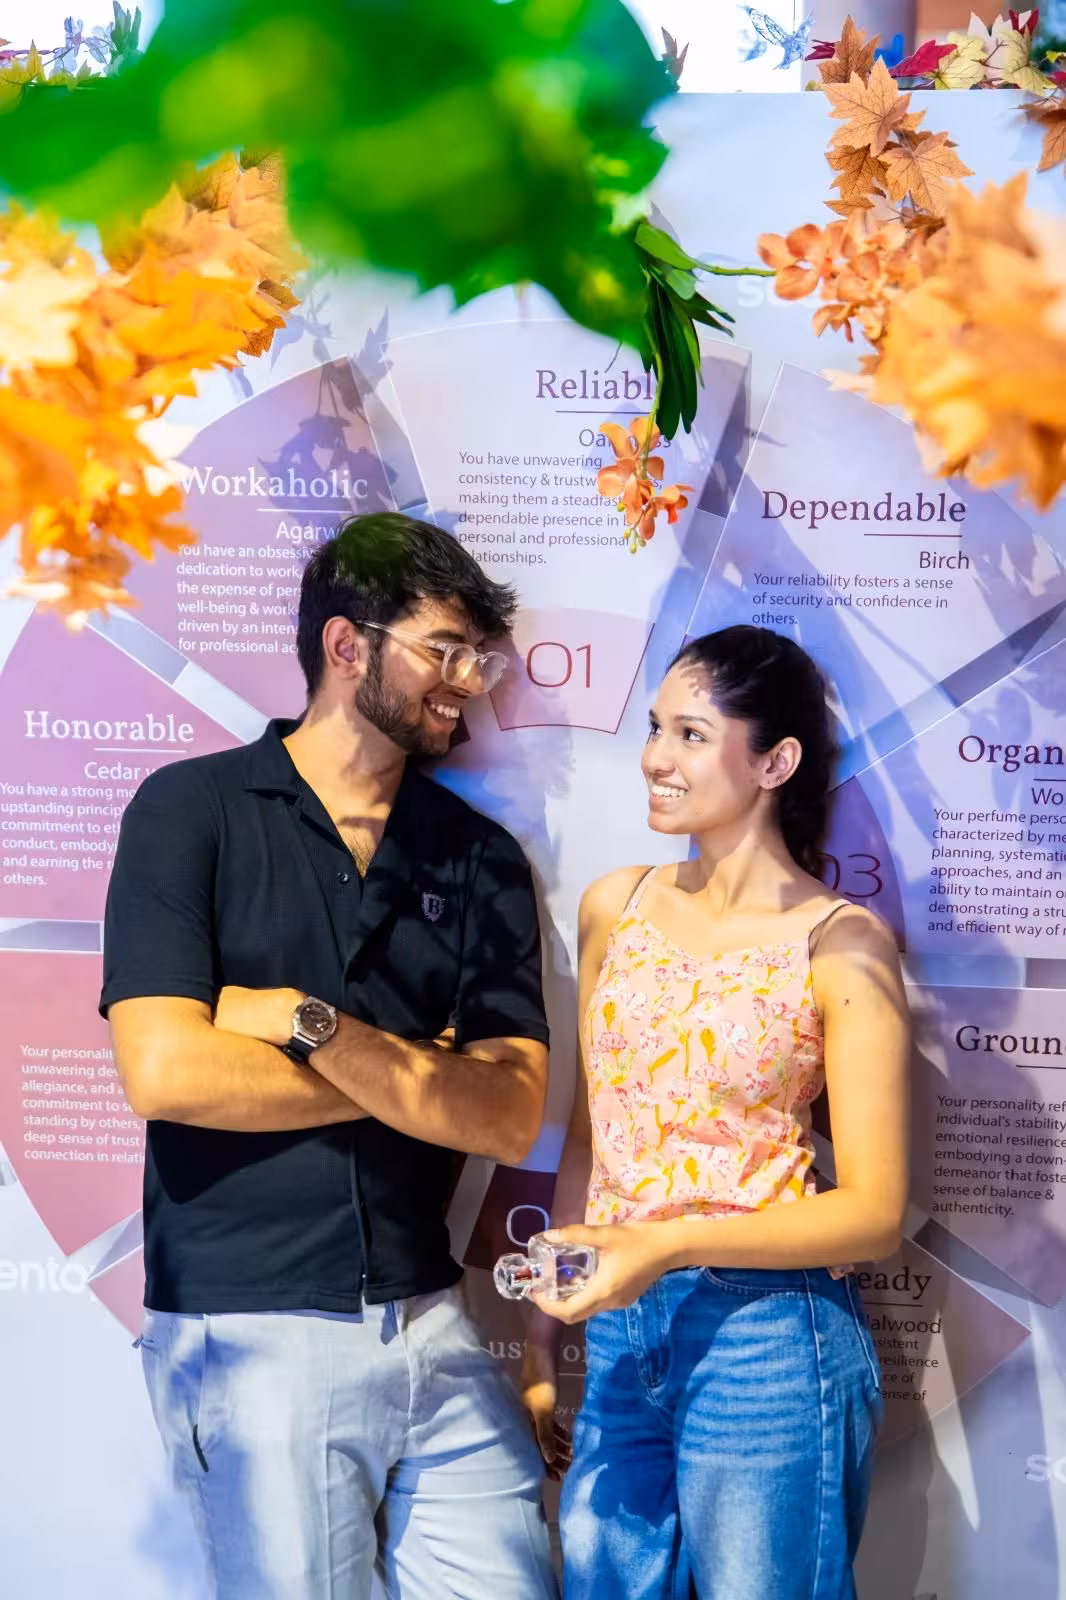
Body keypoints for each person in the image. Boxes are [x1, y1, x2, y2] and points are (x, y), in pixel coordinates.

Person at [101, 512, 558, 1600]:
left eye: (479, 658)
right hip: (250, 1327)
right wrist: (416, 1078)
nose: (469, 682)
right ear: (348, 646)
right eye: (444, 650)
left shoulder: (478, 857)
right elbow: (166, 1073)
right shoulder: (189, 811)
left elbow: (503, 1115)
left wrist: (312, 1027)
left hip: (431, 1320)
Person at [521, 625, 910, 1600]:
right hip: (617, 1325)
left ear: (773, 760)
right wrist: (543, 1328)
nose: (654, 756)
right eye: (655, 728)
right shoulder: (617, 903)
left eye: (691, 733)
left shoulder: (840, 943)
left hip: (765, 1334)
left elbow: (872, 1211)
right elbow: (590, 1135)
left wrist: (664, 1246)